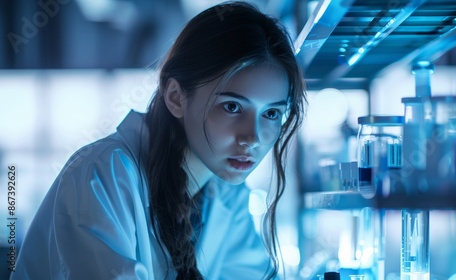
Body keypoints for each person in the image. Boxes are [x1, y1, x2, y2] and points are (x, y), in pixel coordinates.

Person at [11, 1, 306, 279]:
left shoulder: (225, 195)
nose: (252, 138)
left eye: (271, 113)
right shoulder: (102, 174)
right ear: (176, 97)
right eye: (232, 107)